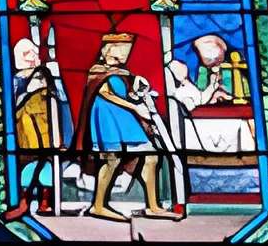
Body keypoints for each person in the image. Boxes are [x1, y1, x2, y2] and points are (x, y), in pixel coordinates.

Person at [74, 30, 187, 219]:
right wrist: (135, 108)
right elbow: (106, 94)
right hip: (106, 118)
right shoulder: (97, 71)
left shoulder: (124, 73)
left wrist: (137, 88)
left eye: (125, 49)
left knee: (151, 157)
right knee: (112, 160)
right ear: (105, 50)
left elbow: (126, 92)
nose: (122, 53)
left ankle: (153, 205)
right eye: (118, 48)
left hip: (125, 119)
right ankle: (98, 205)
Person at [11, 35, 67, 206]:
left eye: (35, 53)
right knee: (30, 165)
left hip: (46, 132)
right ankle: (24, 198)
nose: (34, 58)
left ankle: (45, 200)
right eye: (28, 54)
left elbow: (56, 106)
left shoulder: (45, 76)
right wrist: (29, 91)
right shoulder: (16, 81)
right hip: (26, 131)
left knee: (46, 164)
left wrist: (58, 138)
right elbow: (15, 105)